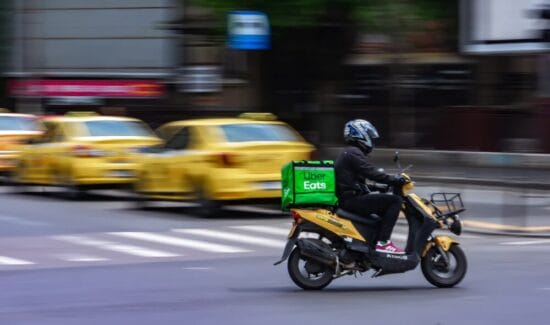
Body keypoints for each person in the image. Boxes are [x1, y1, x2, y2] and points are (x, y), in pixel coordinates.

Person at [334, 119, 407, 254]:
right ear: (360, 134)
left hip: (350, 198)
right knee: (394, 201)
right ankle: (383, 243)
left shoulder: (350, 152)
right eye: (369, 136)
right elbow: (371, 172)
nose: (372, 142)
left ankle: (372, 245)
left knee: (382, 212)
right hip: (351, 201)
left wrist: (380, 188)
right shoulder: (353, 153)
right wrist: (394, 180)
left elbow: (357, 182)